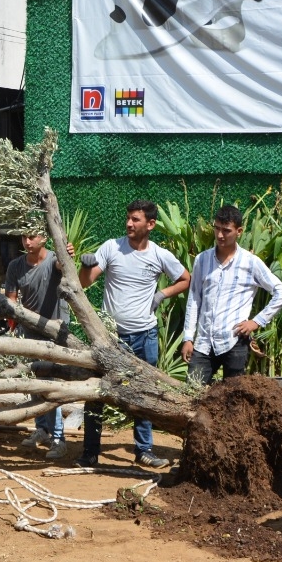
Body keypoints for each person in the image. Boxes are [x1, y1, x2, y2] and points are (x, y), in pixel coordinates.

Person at [79, 200, 190, 469]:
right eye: (128, 218)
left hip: (145, 336)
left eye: (136, 220)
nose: (129, 224)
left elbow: (186, 278)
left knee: (146, 395)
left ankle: (144, 450)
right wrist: (85, 265)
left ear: (150, 224)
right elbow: (84, 282)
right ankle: (90, 452)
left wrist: (161, 294)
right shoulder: (111, 247)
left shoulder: (159, 255)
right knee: (97, 393)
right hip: (110, 338)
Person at [181, 204, 282, 389]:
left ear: (239, 231)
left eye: (226, 230)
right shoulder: (202, 259)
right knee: (192, 392)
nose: (220, 235)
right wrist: (188, 337)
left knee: (233, 399)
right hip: (204, 342)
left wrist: (256, 322)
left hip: (234, 341)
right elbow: (194, 299)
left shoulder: (250, 262)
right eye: (217, 229)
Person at [5, 230, 73, 461]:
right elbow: (11, 300)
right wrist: (12, 321)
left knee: (50, 386)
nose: (27, 241)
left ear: (43, 238)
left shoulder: (53, 260)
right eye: (24, 237)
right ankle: (42, 429)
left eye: (32, 237)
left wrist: (67, 256)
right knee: (34, 385)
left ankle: (58, 439)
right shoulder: (15, 266)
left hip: (52, 334)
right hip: (28, 333)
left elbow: (63, 268)